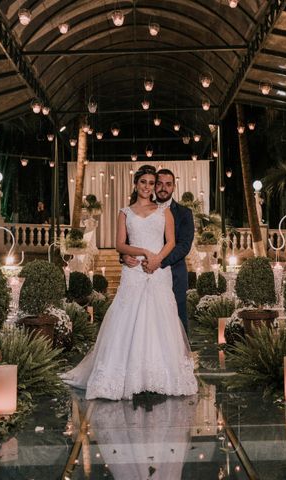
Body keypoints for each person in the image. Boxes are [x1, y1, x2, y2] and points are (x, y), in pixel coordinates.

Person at [60, 165, 197, 400]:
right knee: (128, 317)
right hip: (134, 271)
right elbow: (120, 244)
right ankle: (125, 375)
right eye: (144, 182)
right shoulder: (125, 212)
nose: (149, 187)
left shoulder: (167, 212)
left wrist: (156, 260)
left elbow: (175, 243)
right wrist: (137, 252)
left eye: (152, 183)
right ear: (136, 184)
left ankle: (162, 374)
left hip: (160, 271)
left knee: (163, 320)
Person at [123, 168, 194, 332]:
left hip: (174, 274)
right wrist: (124, 255)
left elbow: (184, 246)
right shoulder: (135, 210)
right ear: (154, 186)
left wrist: (158, 262)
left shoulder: (184, 213)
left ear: (174, 187)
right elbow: (128, 239)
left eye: (168, 184)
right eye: (159, 184)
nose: (163, 188)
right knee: (143, 323)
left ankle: (180, 356)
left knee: (176, 322)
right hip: (140, 272)